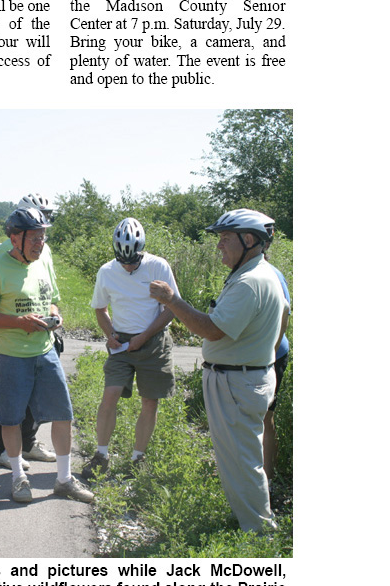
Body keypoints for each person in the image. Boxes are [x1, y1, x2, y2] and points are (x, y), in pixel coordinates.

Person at [149, 208, 288, 533]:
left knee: (243, 462)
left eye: (225, 238)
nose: (219, 245)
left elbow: (211, 329)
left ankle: (259, 532)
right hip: (242, 377)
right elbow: (283, 320)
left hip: (237, 382)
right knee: (239, 460)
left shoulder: (250, 283)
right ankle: (249, 519)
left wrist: (172, 300)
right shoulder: (260, 274)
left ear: (249, 240)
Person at [0, 208, 94, 506]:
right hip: (11, 357)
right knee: (11, 419)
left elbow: (52, 301)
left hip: (46, 350)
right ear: (15, 238)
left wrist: (54, 315)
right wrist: (18, 322)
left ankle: (64, 480)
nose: (41, 243)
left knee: (63, 415)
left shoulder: (41, 263)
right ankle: (18, 478)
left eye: (43, 236)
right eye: (35, 237)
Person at [82, 218, 177, 478]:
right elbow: (100, 308)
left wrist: (145, 336)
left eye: (132, 261)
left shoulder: (158, 266)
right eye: (123, 261)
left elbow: (172, 308)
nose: (127, 266)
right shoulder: (106, 271)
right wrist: (110, 334)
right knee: (110, 394)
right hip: (121, 344)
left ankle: (138, 458)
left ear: (141, 250)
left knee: (149, 401)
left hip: (153, 341)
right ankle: (101, 455)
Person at [0, 193, 58, 469]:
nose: (45, 223)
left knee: (33, 396)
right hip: (13, 342)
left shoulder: (45, 249)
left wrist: (53, 314)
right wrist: (17, 321)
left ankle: (27, 443)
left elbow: (50, 289)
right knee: (8, 399)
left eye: (48, 218)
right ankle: (4, 450)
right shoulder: (4, 252)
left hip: (42, 334)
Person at [261, 220, 291, 486]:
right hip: (258, 356)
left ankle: (266, 479)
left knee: (265, 416)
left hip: (271, 356)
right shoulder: (242, 270)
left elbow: (285, 313)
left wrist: (268, 356)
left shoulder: (270, 273)